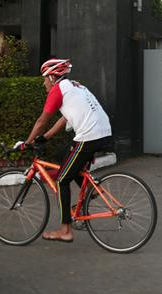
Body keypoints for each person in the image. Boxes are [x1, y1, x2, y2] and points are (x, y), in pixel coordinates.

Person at [19, 57, 113, 242]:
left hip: (89, 137)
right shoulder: (75, 87)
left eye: (45, 78)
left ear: (53, 77)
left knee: (62, 179)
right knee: (65, 157)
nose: (43, 82)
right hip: (103, 132)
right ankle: (91, 193)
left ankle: (65, 231)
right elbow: (64, 119)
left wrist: (27, 143)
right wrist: (45, 137)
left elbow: (41, 121)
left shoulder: (57, 91)